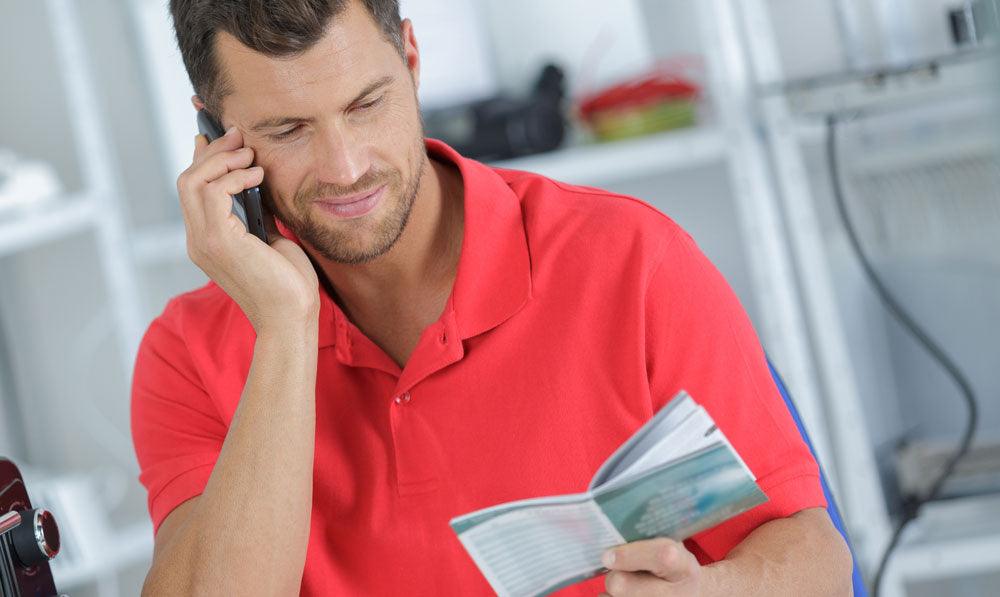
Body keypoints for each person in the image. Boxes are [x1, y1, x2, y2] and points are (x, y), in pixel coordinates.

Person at [130, 0, 853, 595]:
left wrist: (714, 591)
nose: (347, 167)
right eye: (288, 129)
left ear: (412, 62)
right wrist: (285, 330)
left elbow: (818, 558)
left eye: (367, 103)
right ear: (215, 137)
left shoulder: (629, 260)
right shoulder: (187, 356)